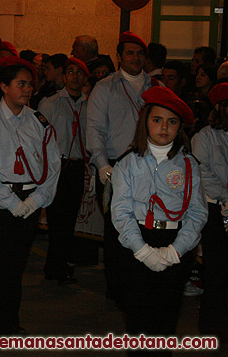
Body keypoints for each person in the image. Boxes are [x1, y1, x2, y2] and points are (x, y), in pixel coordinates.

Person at [0, 57, 60, 342]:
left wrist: (36, 201)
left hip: (30, 199)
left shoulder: (38, 122)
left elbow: (53, 164)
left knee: (17, 265)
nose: (27, 89)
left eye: (30, 84)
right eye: (21, 84)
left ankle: (11, 322)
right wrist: (11, 203)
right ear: (4, 87)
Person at [111, 86, 207, 352]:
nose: (164, 127)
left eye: (172, 122)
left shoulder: (189, 165)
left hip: (175, 242)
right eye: (157, 120)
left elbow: (197, 212)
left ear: (180, 127)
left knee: (166, 318)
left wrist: (176, 251)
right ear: (145, 122)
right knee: (138, 318)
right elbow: (121, 212)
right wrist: (142, 251)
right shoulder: (127, 163)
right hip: (138, 241)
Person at [86, 31, 155, 308]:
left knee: (146, 225)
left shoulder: (154, 87)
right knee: (117, 230)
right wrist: (101, 164)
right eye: (129, 53)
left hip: (150, 166)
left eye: (140, 53)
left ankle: (142, 280)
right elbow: (94, 128)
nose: (135, 58)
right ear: (118, 56)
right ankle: (116, 287)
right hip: (115, 166)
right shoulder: (105, 87)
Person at [38, 57, 89, 285]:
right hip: (57, 165)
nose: (74, 77)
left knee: (70, 220)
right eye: (70, 72)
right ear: (64, 76)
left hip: (78, 165)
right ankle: (54, 266)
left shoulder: (91, 105)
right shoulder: (51, 103)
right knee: (56, 219)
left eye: (79, 73)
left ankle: (60, 265)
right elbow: (41, 136)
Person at [192, 83, 228, 344]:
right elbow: (203, 174)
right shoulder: (204, 137)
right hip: (216, 208)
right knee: (217, 269)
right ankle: (213, 325)